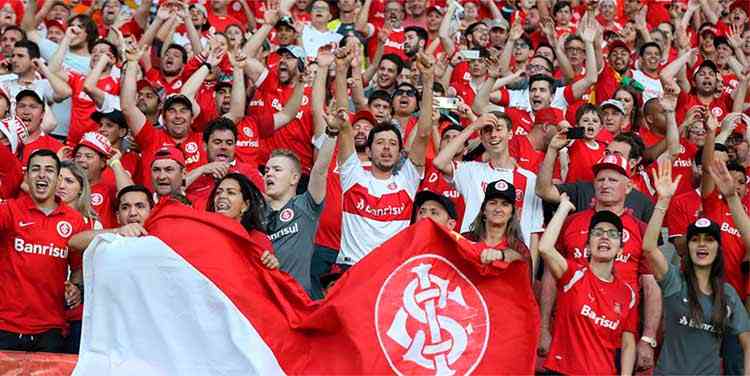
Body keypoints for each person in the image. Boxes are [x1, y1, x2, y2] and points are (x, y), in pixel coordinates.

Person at [643, 158, 750, 375]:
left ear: (718, 249)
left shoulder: (728, 294)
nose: (702, 244)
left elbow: (748, 344)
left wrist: (731, 197)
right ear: (687, 247)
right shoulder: (674, 282)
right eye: (695, 239)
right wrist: (663, 201)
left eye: (709, 240)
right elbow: (649, 248)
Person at [538, 193, 637, 375]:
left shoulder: (627, 293)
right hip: (562, 371)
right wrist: (563, 209)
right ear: (587, 247)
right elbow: (545, 248)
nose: (605, 238)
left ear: (620, 249)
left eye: (612, 234)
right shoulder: (573, 274)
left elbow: (628, 342)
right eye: (598, 233)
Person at [0, 149, 87, 352]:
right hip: (6, 326)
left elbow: (77, 269)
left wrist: (74, 288)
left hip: (51, 330)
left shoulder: (74, 221)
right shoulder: (9, 211)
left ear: (57, 180)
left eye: (49, 170)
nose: (41, 174)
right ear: (27, 177)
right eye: (35, 169)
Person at [207, 173, 279, 270]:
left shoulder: (257, 238)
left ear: (245, 205)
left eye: (231, 192)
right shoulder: (205, 232)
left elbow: (266, 277)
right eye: (218, 192)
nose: (222, 196)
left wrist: (272, 264)